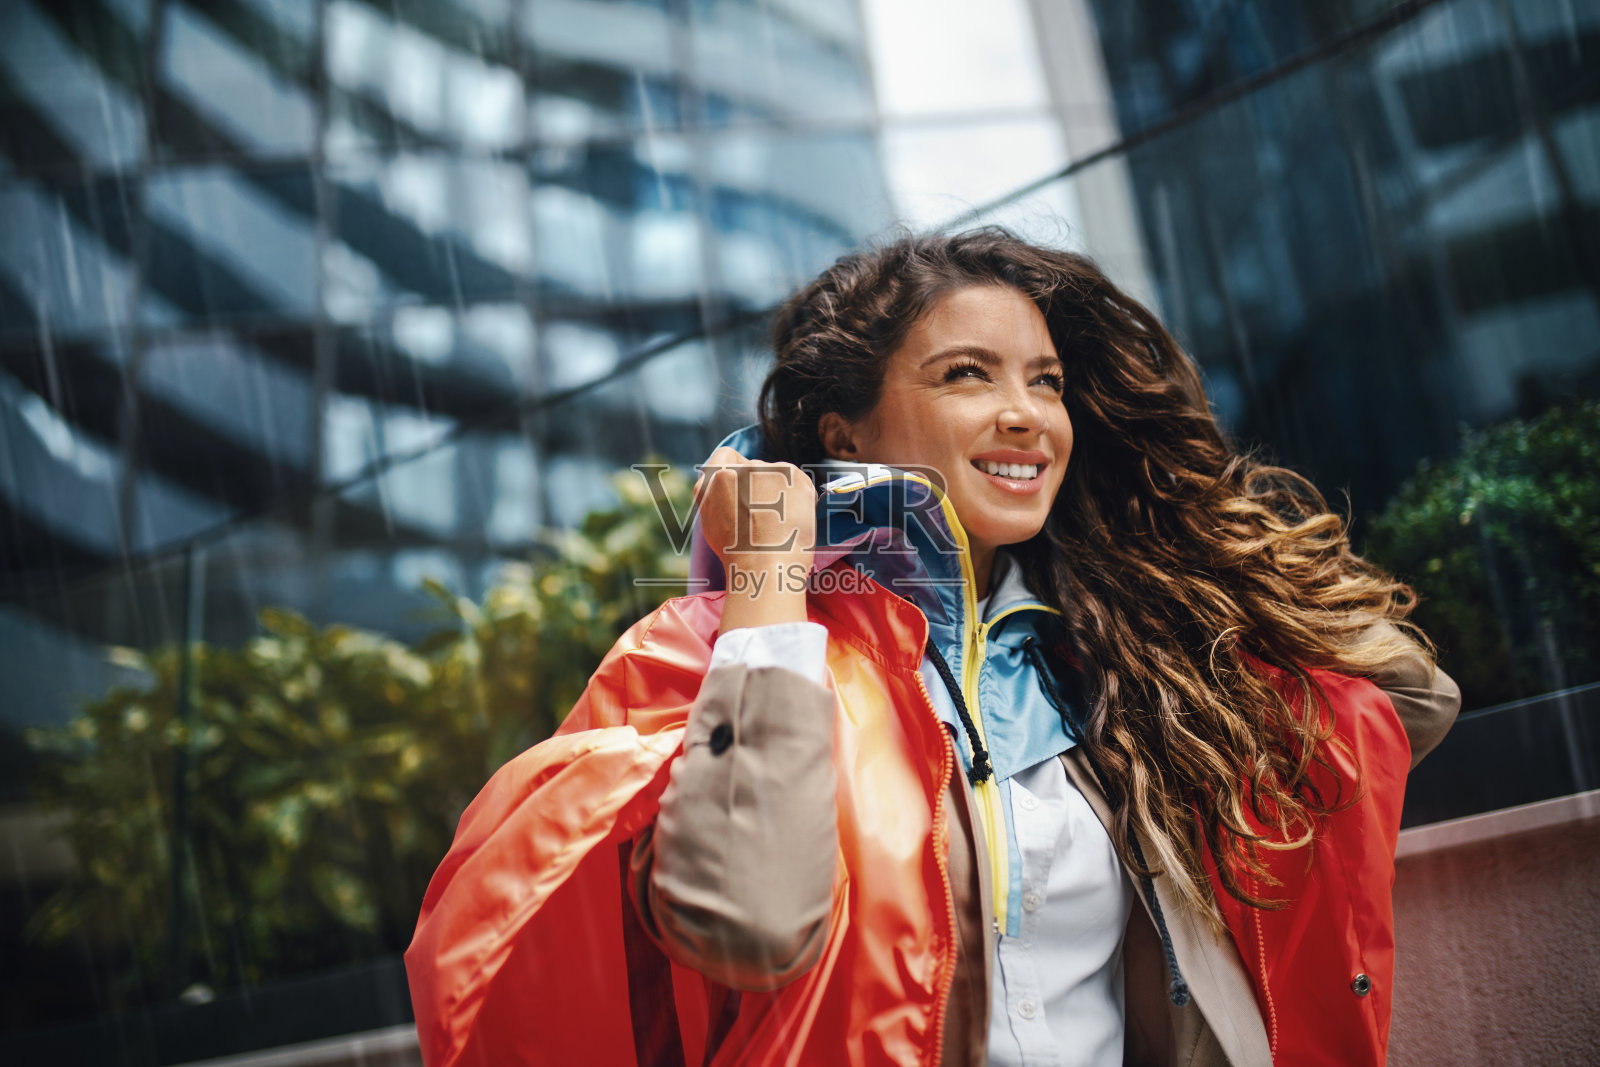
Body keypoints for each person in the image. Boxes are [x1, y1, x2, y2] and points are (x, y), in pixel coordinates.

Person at [405, 229, 1460, 1067]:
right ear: (843, 434)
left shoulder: (1110, 662)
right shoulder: (696, 653)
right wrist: (769, 576)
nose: (1024, 415)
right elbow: (746, 921)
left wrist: (1185, 543)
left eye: (1045, 382)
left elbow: (1405, 700)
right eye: (967, 374)